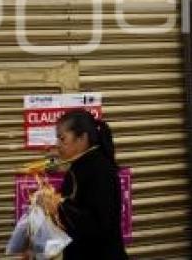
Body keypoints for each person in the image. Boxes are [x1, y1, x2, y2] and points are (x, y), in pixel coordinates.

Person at [38, 110, 128, 260]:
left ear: (82, 138)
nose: (57, 145)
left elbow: (99, 224)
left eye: (62, 139)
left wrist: (58, 207)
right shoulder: (80, 165)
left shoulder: (99, 169)